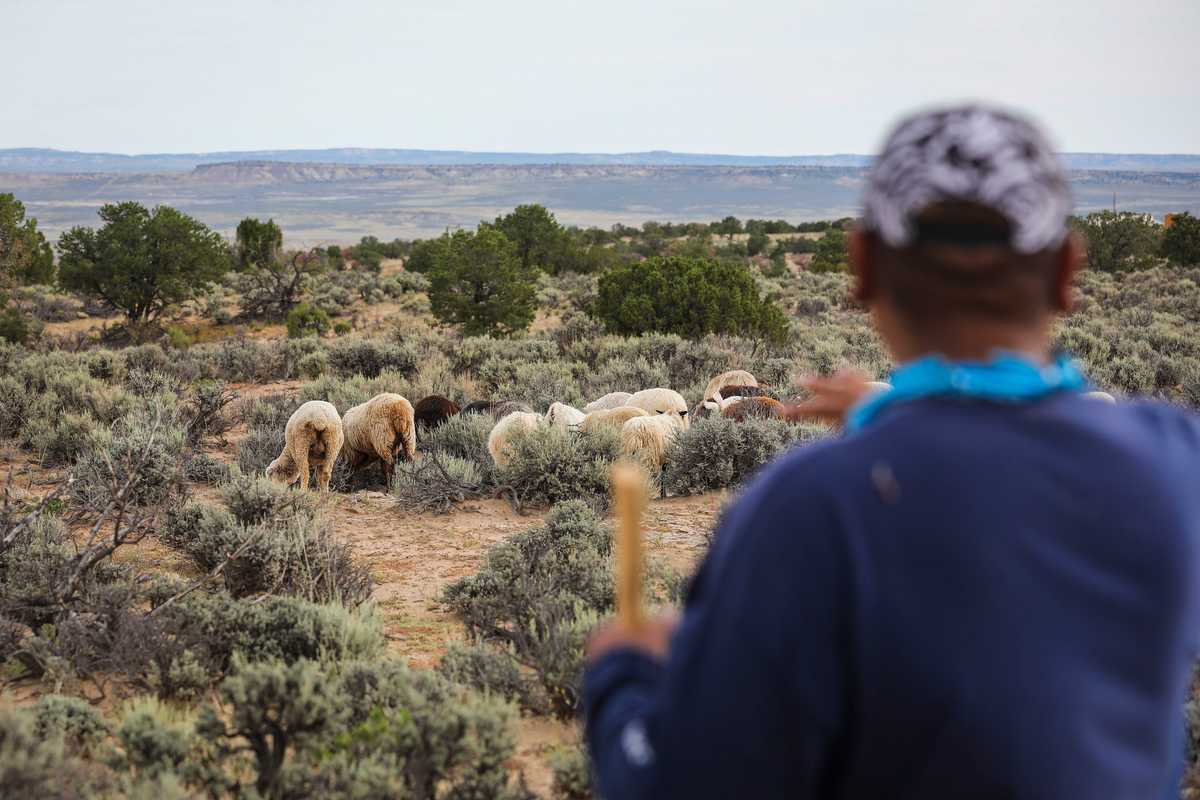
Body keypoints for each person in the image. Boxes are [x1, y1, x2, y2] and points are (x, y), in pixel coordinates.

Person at [582, 105, 1200, 799]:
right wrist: (901, 409)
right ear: (1065, 272)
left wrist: (621, 680)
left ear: (864, 267)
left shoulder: (812, 509)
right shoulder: (1174, 463)